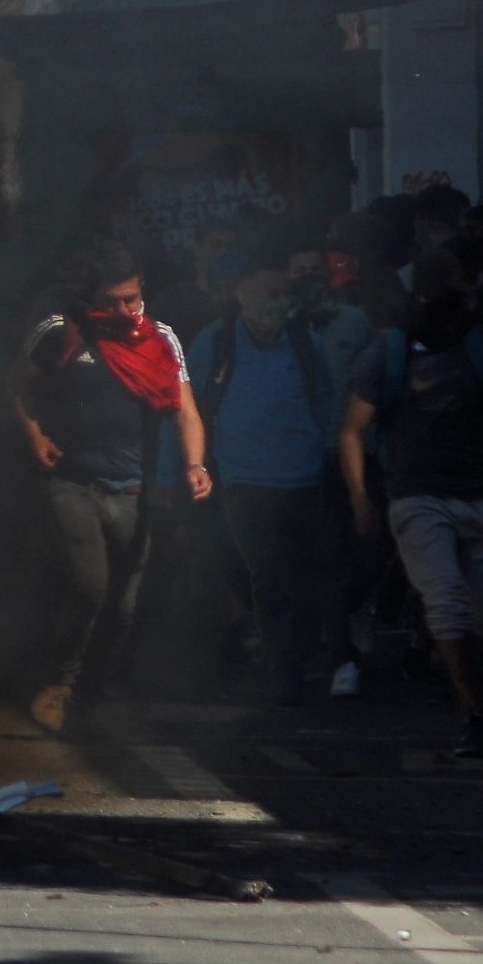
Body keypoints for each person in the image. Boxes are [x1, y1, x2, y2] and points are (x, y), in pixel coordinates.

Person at [14, 240, 211, 734]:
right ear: (92, 296)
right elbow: (16, 384)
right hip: (73, 484)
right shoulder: (63, 332)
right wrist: (34, 433)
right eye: (114, 301)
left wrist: (195, 465)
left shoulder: (162, 338)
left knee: (123, 606)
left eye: (133, 299)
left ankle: (92, 694)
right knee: (89, 587)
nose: (125, 310)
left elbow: (186, 410)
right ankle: (59, 683)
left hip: (133, 492)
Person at [341, 253, 483, 758]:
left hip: (478, 493)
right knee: (447, 602)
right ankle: (473, 715)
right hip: (417, 494)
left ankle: (452, 662)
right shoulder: (390, 351)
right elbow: (353, 431)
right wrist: (362, 498)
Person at [187, 258, 339, 705]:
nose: (276, 303)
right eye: (266, 293)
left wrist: (316, 445)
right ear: (243, 296)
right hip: (242, 479)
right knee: (267, 574)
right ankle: (283, 667)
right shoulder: (214, 343)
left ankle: (301, 652)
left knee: (305, 573)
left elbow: (325, 400)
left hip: (303, 478)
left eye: (282, 294)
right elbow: (185, 408)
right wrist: (178, 471)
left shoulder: (305, 343)